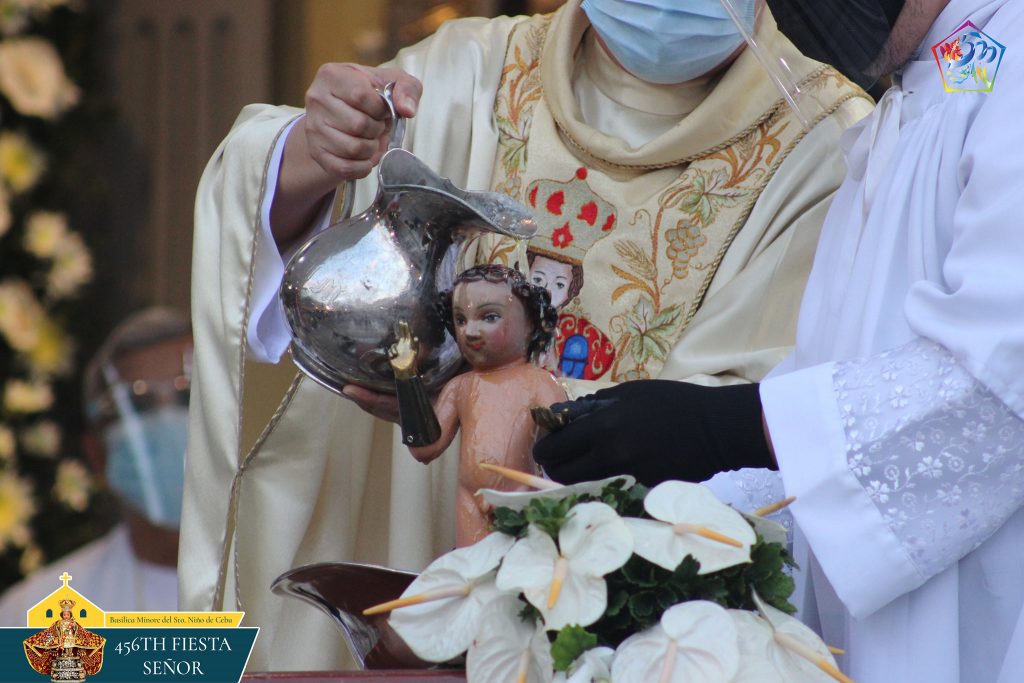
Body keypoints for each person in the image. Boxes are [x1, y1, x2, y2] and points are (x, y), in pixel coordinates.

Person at [182, 0, 874, 670]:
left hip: (638, 634)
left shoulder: (832, 142)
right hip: (413, 540)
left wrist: (506, 403)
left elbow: (781, 418)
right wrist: (313, 151)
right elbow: (287, 218)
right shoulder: (467, 73)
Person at [534, 1, 1024, 681]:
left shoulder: (1013, 64)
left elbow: (1000, 385)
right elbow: (845, 368)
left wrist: (733, 425)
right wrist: (659, 519)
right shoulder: (924, 84)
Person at [0, 307, 191, 623]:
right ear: (98, 456)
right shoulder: (33, 616)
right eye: (138, 407)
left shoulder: (289, 596)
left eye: (188, 398)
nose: (167, 423)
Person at [392, 264, 566, 546]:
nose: (470, 331)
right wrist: (406, 377)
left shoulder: (539, 384)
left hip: (522, 503)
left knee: (515, 579)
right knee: (473, 578)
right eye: (460, 320)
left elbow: (561, 454)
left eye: (489, 317)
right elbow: (425, 449)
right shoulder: (461, 387)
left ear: (531, 324)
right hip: (469, 504)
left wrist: (527, 493)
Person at [23, 598, 105, 678]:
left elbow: (80, 630)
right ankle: (64, 654)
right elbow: (52, 630)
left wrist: (74, 627)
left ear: (70, 615)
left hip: (71, 638)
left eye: (68, 614)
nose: (66, 616)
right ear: (62, 615)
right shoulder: (59, 623)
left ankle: (70, 654)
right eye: (65, 614)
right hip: (62, 639)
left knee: (70, 647)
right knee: (64, 648)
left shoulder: (73, 623)